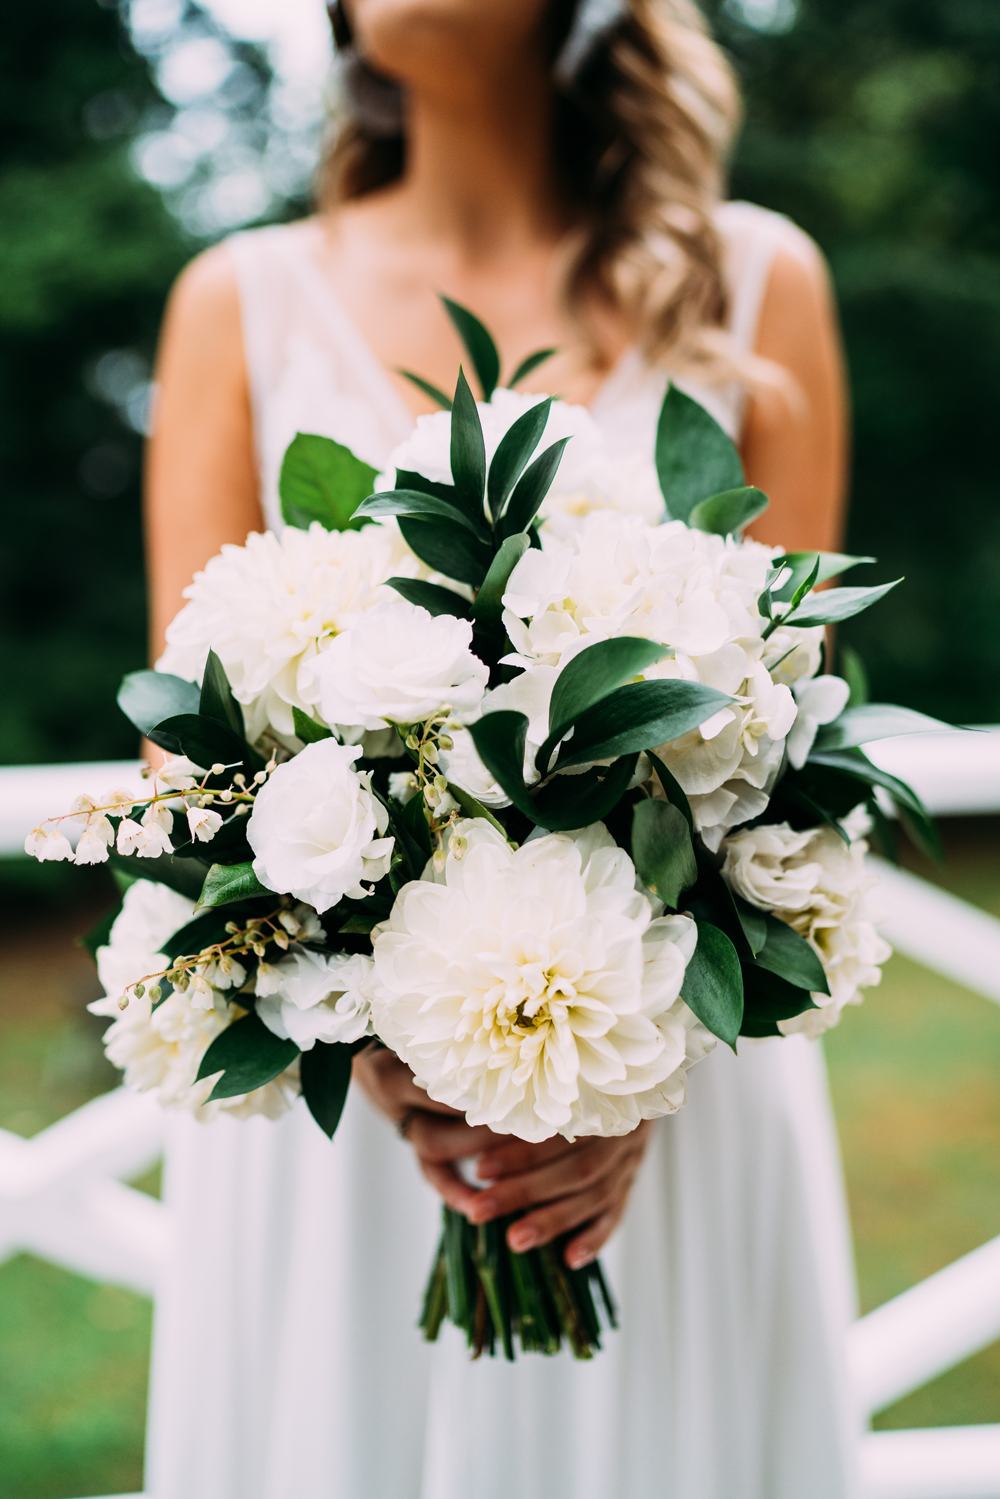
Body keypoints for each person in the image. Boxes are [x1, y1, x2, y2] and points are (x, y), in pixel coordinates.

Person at [144, 2, 859, 1495]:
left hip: (663, 1075)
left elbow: (781, 724)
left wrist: (602, 1091)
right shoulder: (239, 299)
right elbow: (190, 756)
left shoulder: (759, 280)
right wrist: (386, 1032)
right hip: (347, 1103)